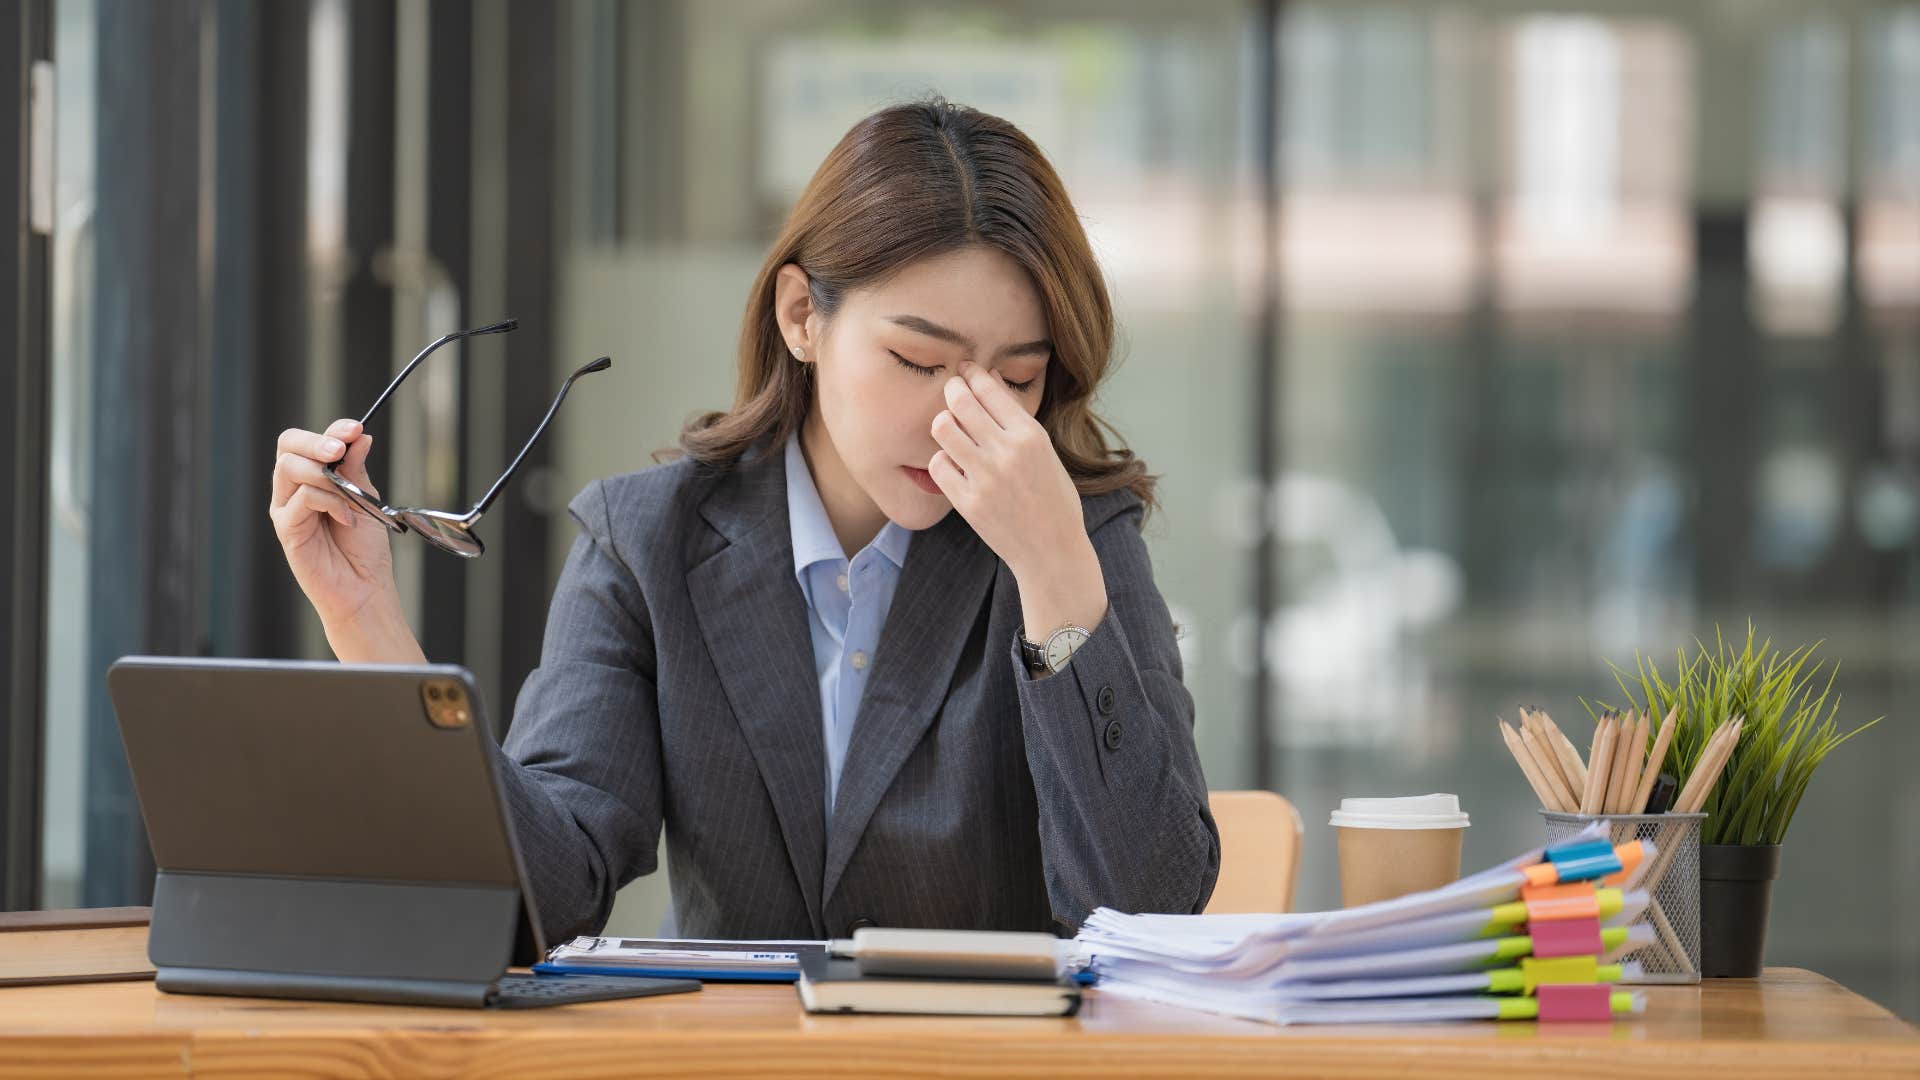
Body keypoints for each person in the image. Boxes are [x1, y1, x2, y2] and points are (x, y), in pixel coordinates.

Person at [268, 97, 1218, 944]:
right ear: (802, 315)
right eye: (920, 363)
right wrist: (366, 623)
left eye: (1015, 379)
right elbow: (536, 896)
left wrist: (1054, 579)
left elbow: (1151, 913)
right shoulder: (648, 538)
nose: (961, 419)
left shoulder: (1073, 537)